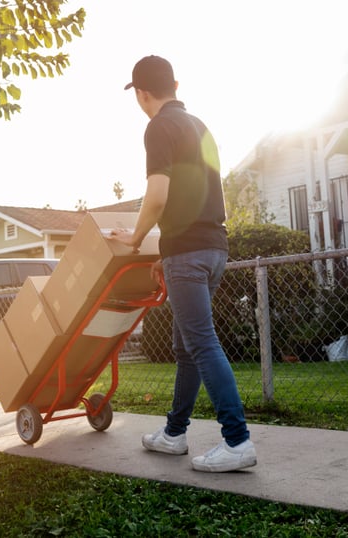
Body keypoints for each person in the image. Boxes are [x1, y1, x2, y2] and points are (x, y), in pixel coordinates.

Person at [111, 55, 256, 472]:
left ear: (141, 93)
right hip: (213, 249)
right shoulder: (200, 126)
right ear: (175, 85)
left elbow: (158, 195)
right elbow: (197, 196)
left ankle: (237, 440)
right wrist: (164, 253)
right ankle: (174, 434)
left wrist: (136, 239)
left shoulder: (159, 127)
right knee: (187, 347)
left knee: (201, 343)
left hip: (189, 255)